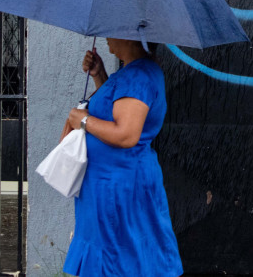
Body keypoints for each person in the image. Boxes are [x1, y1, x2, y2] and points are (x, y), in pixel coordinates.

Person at [59, 38, 183, 277]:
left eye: (112, 31)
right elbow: (116, 112)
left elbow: (126, 134)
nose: (106, 36)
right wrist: (99, 75)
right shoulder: (132, 73)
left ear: (128, 35)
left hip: (118, 187)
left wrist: (82, 121)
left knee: (120, 258)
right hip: (111, 184)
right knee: (122, 254)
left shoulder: (138, 76)